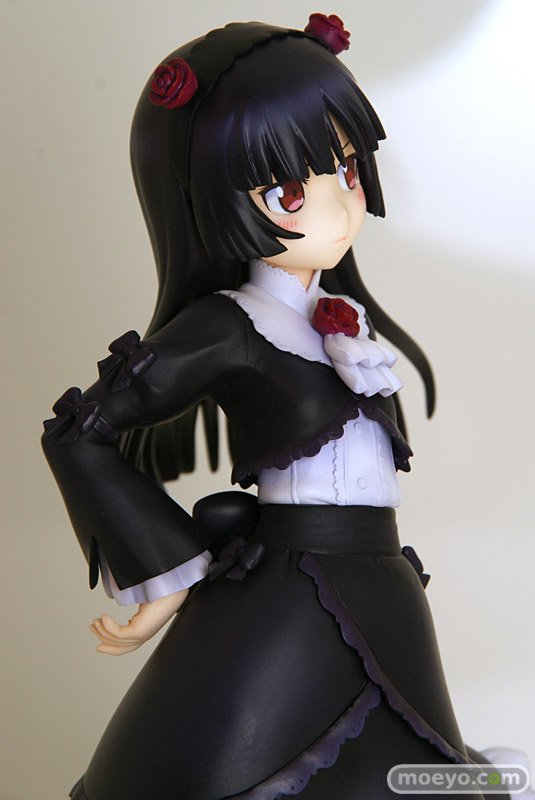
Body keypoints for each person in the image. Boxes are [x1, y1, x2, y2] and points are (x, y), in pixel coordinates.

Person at [42, 15, 509, 800]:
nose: (338, 208)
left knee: (409, 762)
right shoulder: (231, 324)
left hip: (382, 579)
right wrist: (165, 576)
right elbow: (80, 433)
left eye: (347, 170)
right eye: (290, 190)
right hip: (292, 589)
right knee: (231, 762)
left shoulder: (342, 318)